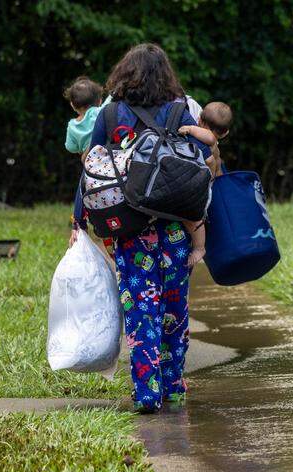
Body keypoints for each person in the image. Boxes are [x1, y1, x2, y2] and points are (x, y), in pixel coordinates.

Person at [70, 43, 212, 413]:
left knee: (141, 313)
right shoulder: (181, 110)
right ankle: (174, 388)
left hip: (130, 231)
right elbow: (198, 166)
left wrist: (78, 220)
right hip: (176, 230)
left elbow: (90, 170)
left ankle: (147, 394)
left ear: (124, 74)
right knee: (174, 312)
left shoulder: (111, 113)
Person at [178, 101, 232, 177]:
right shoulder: (215, 143)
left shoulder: (209, 138)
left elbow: (211, 138)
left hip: (211, 175)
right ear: (225, 133)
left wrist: (190, 129)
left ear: (200, 121)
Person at [63, 76, 104, 155]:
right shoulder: (98, 112)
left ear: (72, 105)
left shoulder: (72, 125)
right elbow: (109, 102)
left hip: (90, 161)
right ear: (100, 101)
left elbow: (70, 147)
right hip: (107, 155)